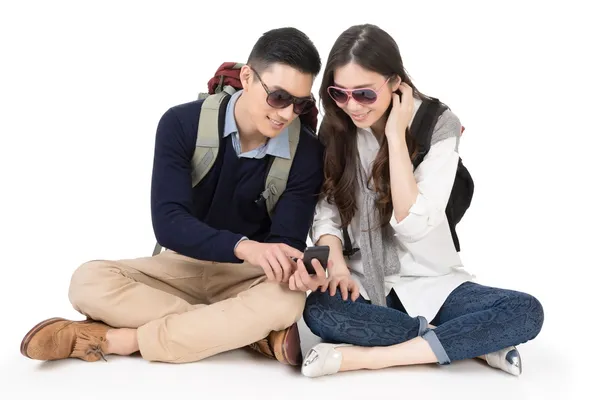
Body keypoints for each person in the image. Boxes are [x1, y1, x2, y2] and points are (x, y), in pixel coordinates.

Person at [19, 27, 327, 366]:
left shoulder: (308, 152)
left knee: (286, 303)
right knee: (87, 281)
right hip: (181, 265)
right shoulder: (181, 123)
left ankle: (116, 339)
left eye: (300, 104)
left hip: (249, 278)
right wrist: (244, 246)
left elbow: (285, 242)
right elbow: (169, 223)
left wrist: (293, 267)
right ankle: (250, 334)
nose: (286, 114)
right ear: (248, 77)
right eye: (279, 97)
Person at [289, 24, 544, 378]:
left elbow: (413, 224)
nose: (351, 106)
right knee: (320, 311)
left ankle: (363, 357)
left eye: (364, 94)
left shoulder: (438, 125)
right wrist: (339, 268)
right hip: (366, 280)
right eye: (339, 93)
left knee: (525, 311)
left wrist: (395, 136)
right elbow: (328, 209)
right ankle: (468, 344)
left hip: (433, 283)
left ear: (395, 82)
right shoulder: (337, 125)